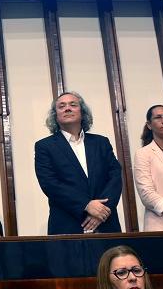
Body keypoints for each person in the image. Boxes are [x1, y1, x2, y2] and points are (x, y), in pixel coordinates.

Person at [34, 92, 122, 235]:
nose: (67, 108)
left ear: (82, 112)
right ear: (55, 115)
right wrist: (86, 205)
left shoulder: (101, 142)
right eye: (61, 106)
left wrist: (101, 211)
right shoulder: (45, 146)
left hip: (105, 223)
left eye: (73, 105)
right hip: (67, 225)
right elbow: (50, 184)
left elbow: (115, 177)